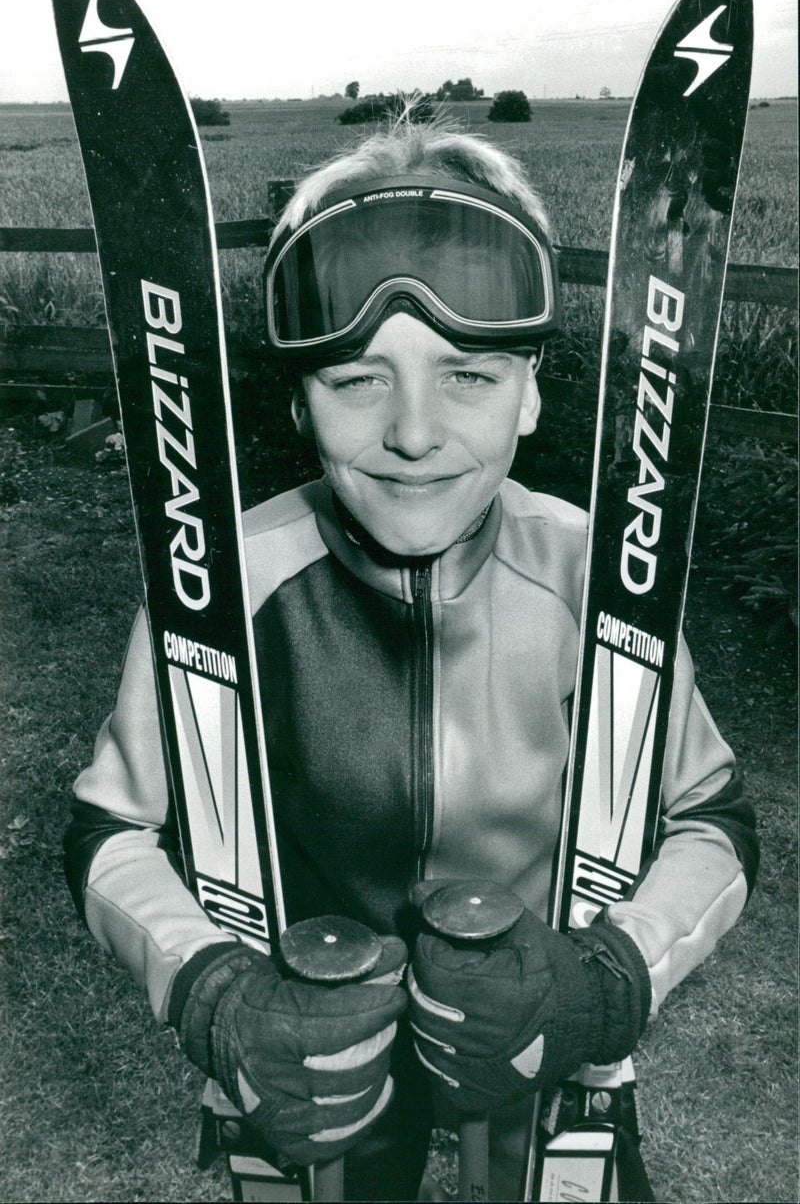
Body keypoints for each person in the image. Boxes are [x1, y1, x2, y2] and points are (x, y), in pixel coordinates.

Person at [65, 113, 758, 1202]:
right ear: (299, 398)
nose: (414, 432)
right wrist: (212, 989)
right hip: (318, 1030)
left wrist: (605, 981)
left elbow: (709, 822)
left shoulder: (599, 577)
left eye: (468, 376)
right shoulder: (222, 583)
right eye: (356, 380)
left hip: (533, 1015)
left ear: (530, 390)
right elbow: (115, 830)